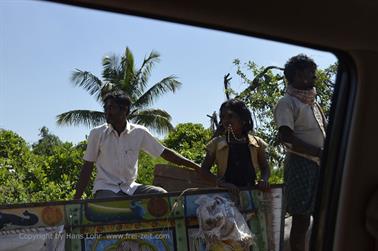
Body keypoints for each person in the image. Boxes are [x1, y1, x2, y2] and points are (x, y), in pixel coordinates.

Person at [74, 90, 201, 199]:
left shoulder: (139, 132)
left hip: (131, 188)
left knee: (161, 195)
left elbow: (164, 153)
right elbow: (87, 166)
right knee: (114, 204)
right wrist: (76, 199)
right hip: (106, 189)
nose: (107, 112)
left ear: (125, 111)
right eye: (106, 108)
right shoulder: (97, 133)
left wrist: (195, 166)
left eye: (111, 108)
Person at [274, 54, 327, 251]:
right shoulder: (287, 102)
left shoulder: (313, 103)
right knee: (301, 219)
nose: (314, 77)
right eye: (310, 72)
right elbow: (287, 137)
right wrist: (319, 151)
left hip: (318, 164)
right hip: (300, 163)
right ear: (297, 75)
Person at [200, 99, 270, 193]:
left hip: (250, 193)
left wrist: (264, 179)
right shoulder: (216, 143)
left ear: (243, 119)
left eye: (230, 116)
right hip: (225, 195)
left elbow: (265, 168)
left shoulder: (257, 142)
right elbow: (204, 171)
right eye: (223, 117)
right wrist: (221, 183)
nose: (226, 120)